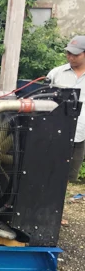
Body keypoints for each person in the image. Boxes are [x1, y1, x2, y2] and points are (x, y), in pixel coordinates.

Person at [47, 35, 85, 183]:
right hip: (54, 132)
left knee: (70, 179)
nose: (70, 57)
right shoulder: (56, 73)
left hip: (80, 133)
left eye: (75, 54)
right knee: (48, 173)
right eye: (68, 53)